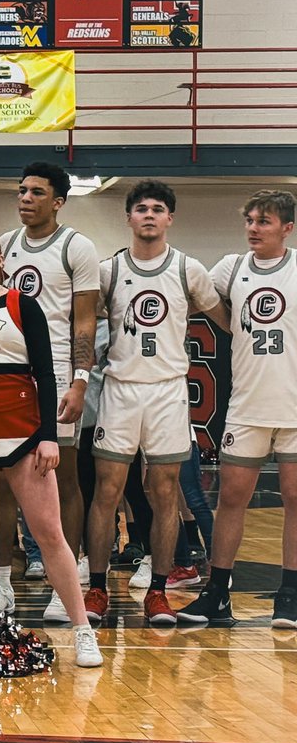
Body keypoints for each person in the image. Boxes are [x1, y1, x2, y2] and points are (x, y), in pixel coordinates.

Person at [0, 226, 101, 667]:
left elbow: (45, 372)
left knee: (49, 533)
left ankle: (82, 630)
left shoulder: (23, 305)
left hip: (23, 431)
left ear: (1, 258)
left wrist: (48, 435)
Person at [83, 182, 227, 627]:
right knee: (107, 491)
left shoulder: (188, 269)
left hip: (167, 391)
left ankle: (159, 592)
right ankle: (97, 587)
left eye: (158, 209)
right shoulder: (107, 271)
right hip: (120, 389)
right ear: (128, 217)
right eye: (141, 208)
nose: (149, 214)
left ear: (170, 218)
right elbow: (81, 321)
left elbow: (227, 321)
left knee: (165, 492)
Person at [180, 190, 297, 628]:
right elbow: (192, 301)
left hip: (294, 406)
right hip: (246, 405)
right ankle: (217, 594)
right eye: (249, 220)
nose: (253, 228)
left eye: (264, 221)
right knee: (231, 499)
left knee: (295, 500)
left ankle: (290, 594)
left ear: (287, 228)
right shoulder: (231, 268)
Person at [0, 163, 99, 621]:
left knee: (64, 478)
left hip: (56, 371)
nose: (25, 198)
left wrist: (80, 380)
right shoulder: (4, 244)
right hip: (9, 372)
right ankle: (1, 583)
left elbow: (85, 322)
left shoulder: (77, 246)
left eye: (36, 192)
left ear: (58, 201)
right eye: (22, 190)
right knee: (3, 480)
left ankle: (67, 581)